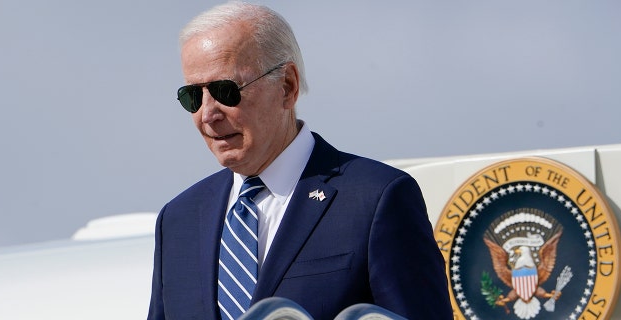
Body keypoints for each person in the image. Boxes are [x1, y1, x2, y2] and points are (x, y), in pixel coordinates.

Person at [148, 2, 452, 319]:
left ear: (287, 86)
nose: (208, 115)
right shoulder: (178, 221)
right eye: (193, 97)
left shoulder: (376, 199)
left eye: (225, 90)